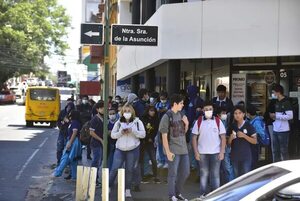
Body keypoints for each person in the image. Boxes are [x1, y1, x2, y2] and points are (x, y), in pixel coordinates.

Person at [109, 104, 146, 198]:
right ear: (122, 112)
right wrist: (121, 132)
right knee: (114, 168)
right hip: (120, 149)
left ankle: (127, 189)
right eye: (125, 111)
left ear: (132, 112)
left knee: (130, 170)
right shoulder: (118, 122)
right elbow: (113, 135)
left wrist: (133, 131)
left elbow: (143, 135)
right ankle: (109, 186)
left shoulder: (138, 122)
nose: (127, 113)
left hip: (133, 149)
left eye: (129, 111)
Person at [159, 94, 190, 201]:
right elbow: (163, 136)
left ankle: (177, 193)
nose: (183, 105)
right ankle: (171, 195)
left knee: (186, 172)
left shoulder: (181, 114)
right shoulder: (167, 116)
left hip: (183, 149)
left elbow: (183, 133)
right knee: (173, 173)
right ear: (175, 104)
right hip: (173, 149)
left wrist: (186, 124)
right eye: (181, 103)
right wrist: (167, 151)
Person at [192, 101, 226, 197]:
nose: (208, 111)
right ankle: (202, 194)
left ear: (213, 110)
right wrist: (196, 152)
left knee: (215, 175)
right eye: (206, 109)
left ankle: (216, 195)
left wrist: (222, 152)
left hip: (216, 153)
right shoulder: (198, 121)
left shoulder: (218, 121)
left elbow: (223, 137)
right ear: (203, 110)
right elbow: (194, 137)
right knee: (204, 175)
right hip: (202, 153)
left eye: (210, 109)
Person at [228, 105, 257, 177]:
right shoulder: (232, 126)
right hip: (234, 156)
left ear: (244, 114)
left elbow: (255, 141)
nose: (237, 115)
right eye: (235, 113)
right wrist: (231, 138)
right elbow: (228, 144)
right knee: (236, 177)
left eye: (239, 113)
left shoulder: (249, 126)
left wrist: (244, 136)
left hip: (246, 156)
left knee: (245, 178)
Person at [54, 110, 82, 180]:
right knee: (73, 160)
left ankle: (58, 172)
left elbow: (74, 133)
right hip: (74, 141)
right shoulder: (74, 122)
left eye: (70, 114)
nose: (69, 115)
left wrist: (70, 143)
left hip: (73, 142)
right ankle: (74, 175)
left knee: (66, 157)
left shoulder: (75, 122)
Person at [269, 84, 293, 162]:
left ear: (278, 92)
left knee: (284, 151)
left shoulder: (286, 102)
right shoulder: (276, 102)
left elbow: (290, 116)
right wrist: (273, 116)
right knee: (275, 151)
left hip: (283, 130)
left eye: (273, 92)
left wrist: (277, 116)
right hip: (275, 128)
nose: (273, 94)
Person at [140, 105, 160, 183]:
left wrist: (151, 137)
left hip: (150, 142)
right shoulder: (143, 119)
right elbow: (142, 129)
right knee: (142, 160)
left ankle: (155, 176)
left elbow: (155, 130)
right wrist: (147, 137)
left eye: (154, 111)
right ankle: (142, 176)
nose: (153, 112)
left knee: (153, 159)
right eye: (151, 110)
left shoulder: (156, 120)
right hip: (143, 141)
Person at [216, 106, 234, 184]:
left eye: (225, 113)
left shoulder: (226, 122)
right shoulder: (216, 123)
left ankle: (229, 184)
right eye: (223, 113)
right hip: (217, 148)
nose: (225, 115)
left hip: (225, 147)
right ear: (218, 115)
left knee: (227, 167)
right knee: (218, 168)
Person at [89, 101, 105, 186]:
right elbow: (91, 132)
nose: (104, 109)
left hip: (100, 143)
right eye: (102, 108)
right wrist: (100, 140)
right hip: (96, 143)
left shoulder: (104, 118)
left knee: (99, 161)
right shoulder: (95, 119)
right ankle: (93, 179)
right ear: (97, 109)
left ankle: (96, 179)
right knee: (96, 161)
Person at [56, 101, 75, 166]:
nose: (68, 108)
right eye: (68, 107)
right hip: (62, 132)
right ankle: (59, 162)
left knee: (68, 149)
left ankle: (66, 164)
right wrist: (60, 126)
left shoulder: (73, 113)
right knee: (59, 148)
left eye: (70, 107)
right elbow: (58, 121)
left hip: (69, 134)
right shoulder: (62, 112)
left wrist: (68, 121)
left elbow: (75, 123)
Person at [247, 104, 265, 169]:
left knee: (254, 161)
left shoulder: (256, 122)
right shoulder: (253, 120)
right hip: (253, 143)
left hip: (255, 144)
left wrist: (253, 135)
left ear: (248, 113)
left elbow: (261, 133)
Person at [155, 91, 170, 168]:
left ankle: (167, 161)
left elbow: (168, 111)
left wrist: (162, 110)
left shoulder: (169, 104)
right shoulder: (157, 104)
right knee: (160, 143)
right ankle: (161, 160)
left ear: (166, 98)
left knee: (166, 144)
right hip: (159, 126)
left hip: (167, 127)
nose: (162, 100)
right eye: (161, 98)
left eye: (163, 98)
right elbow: (156, 111)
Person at [77, 95, 93, 160]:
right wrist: (85, 114)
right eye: (83, 99)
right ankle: (79, 155)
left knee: (89, 141)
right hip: (81, 126)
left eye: (86, 99)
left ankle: (88, 155)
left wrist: (83, 114)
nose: (85, 100)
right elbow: (78, 115)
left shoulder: (90, 106)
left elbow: (90, 115)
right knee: (80, 141)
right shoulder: (79, 106)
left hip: (88, 126)